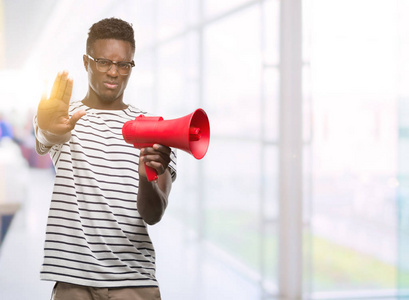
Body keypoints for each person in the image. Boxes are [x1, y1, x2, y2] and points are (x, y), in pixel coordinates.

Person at [34, 17, 176, 300]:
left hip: (134, 281)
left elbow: (154, 214)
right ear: (86, 62)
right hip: (73, 282)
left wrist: (145, 177)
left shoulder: (154, 129)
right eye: (103, 62)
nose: (114, 72)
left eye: (124, 64)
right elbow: (45, 138)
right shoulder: (65, 117)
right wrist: (48, 126)